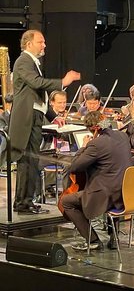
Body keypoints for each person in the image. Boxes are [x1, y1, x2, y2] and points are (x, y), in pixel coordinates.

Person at [9, 29, 80, 214]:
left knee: (31, 161)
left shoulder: (32, 62)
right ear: (29, 44)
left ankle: (26, 201)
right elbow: (37, 83)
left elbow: (37, 98)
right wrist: (63, 82)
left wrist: (53, 116)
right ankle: (23, 203)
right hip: (26, 119)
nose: (44, 45)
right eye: (41, 42)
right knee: (27, 161)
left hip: (34, 117)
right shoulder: (24, 61)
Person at [61, 111, 132, 251]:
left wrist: (84, 146)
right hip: (123, 193)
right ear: (103, 122)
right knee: (111, 182)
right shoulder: (123, 136)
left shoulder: (96, 144)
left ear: (91, 129)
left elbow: (74, 167)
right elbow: (108, 129)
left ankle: (92, 240)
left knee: (66, 201)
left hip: (104, 196)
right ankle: (114, 237)